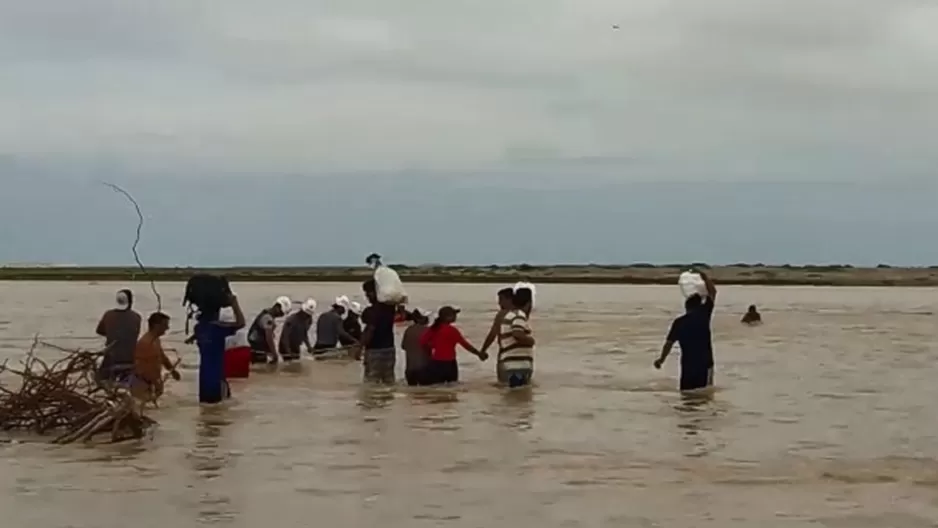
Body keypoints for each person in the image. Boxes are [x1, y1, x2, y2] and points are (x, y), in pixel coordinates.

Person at [654, 270, 718, 392]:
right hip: (705, 363)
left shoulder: (679, 322)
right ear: (699, 305)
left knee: (687, 395)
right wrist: (704, 276)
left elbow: (668, 343)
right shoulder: (704, 314)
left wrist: (661, 360)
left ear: (686, 307)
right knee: (706, 394)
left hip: (687, 367)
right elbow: (713, 292)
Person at [193, 292, 247, 404]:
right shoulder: (217, 328)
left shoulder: (198, 328)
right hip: (217, 380)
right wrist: (234, 304)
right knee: (220, 413)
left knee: (207, 412)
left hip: (203, 382)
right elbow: (241, 323)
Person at [419, 306, 487, 384]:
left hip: (436, 362)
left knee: (438, 387)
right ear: (447, 317)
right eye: (454, 314)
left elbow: (422, 342)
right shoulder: (452, 331)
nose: (456, 316)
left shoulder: (434, 329)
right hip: (450, 364)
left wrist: (431, 349)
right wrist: (479, 354)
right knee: (451, 388)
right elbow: (465, 345)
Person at [94, 289, 142, 384]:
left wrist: (112, 333)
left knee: (98, 380)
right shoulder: (137, 317)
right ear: (131, 301)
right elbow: (135, 334)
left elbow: (99, 331)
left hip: (111, 358)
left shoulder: (108, 315)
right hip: (130, 358)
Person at [130, 312, 180, 402]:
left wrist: (172, 371)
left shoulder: (156, 340)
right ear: (156, 326)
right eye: (165, 325)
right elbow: (141, 368)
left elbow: (162, 357)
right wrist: (155, 382)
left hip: (152, 384)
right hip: (142, 384)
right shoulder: (145, 343)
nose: (167, 328)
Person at [360, 279, 398, 384]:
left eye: (368, 293)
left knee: (371, 383)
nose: (367, 296)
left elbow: (370, 330)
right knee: (389, 380)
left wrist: (359, 347)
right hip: (389, 350)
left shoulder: (371, 311)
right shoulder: (390, 308)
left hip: (374, 351)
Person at [496, 288, 536, 388]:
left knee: (514, 398)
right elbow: (517, 334)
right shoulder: (519, 316)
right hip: (516, 366)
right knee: (518, 396)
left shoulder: (511, 315)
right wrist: (531, 341)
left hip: (512, 365)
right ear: (529, 303)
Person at [247, 296, 291, 364]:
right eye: (281, 313)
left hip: (257, 346)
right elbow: (269, 337)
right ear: (277, 307)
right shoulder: (268, 318)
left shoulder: (267, 313)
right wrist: (274, 354)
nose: (281, 316)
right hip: (258, 349)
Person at [480, 288, 515, 359]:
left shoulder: (502, 314)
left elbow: (492, 334)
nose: (499, 303)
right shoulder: (521, 313)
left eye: (501, 299)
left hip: (506, 352)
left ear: (510, 299)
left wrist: (483, 350)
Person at [402, 308, 432, 386]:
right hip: (424, 368)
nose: (428, 319)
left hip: (409, 369)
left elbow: (403, 346)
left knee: (412, 394)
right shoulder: (428, 331)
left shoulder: (408, 330)